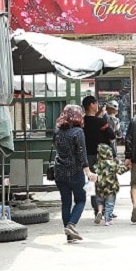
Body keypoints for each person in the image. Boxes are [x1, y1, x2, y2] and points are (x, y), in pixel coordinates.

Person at [52, 104, 97, 242]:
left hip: (59, 171)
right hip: (75, 172)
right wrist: (88, 171)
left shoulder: (58, 131)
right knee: (81, 200)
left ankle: (69, 235)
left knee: (66, 202)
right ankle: (71, 225)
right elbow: (82, 153)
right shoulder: (78, 132)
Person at [82, 95, 116, 216]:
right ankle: (107, 210)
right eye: (96, 103)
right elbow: (112, 136)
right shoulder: (101, 122)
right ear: (91, 105)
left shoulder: (81, 122)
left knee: (93, 182)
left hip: (87, 156)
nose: (97, 105)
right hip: (102, 157)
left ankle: (97, 209)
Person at [94, 143, 129, 226]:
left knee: (100, 201)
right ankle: (107, 219)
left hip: (99, 187)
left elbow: (94, 172)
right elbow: (120, 171)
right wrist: (128, 167)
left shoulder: (98, 164)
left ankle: (99, 212)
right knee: (109, 203)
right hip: (111, 187)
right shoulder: (112, 164)